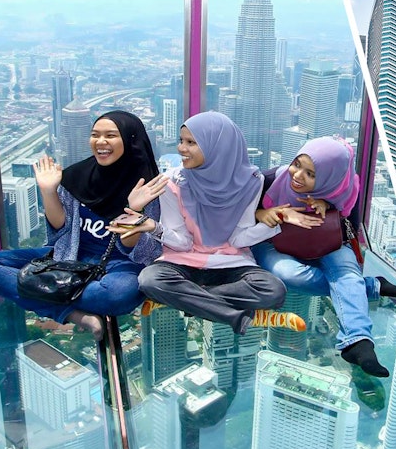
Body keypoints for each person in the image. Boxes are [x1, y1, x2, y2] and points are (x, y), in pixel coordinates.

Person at [0, 110, 165, 341]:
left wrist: (135, 213)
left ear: (130, 139)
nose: (101, 142)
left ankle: (47, 293)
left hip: (119, 263)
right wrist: (48, 191)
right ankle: (69, 313)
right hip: (70, 256)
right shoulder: (77, 176)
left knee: (117, 296)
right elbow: (61, 230)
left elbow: (146, 252)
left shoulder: (149, 187)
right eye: (95, 135)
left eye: (111, 135)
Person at [118, 111, 305, 335]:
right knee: (150, 280)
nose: (181, 149)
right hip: (182, 260)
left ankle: (183, 299)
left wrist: (273, 223)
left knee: (274, 290)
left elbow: (238, 239)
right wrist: (154, 227)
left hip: (231, 262)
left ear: (218, 146)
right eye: (181, 141)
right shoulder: (172, 183)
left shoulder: (251, 183)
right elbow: (183, 243)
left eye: (191, 143)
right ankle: (236, 316)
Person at [252, 136, 396, 378]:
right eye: (297, 164)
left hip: (325, 241)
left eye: (311, 174)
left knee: (346, 273)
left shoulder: (343, 190)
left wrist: (328, 204)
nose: (297, 176)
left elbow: (349, 225)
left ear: (329, 179)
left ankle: (358, 342)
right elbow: (237, 209)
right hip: (273, 241)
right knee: (288, 274)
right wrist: (265, 212)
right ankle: (374, 286)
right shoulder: (273, 180)